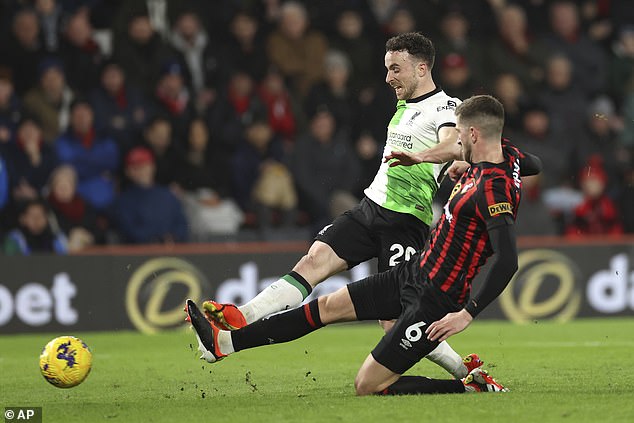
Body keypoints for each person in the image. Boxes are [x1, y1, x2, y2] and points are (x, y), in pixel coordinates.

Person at [186, 95, 533, 395]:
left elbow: (507, 260)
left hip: (436, 297)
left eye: (459, 133)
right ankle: (225, 344)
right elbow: (534, 163)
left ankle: (467, 386)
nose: (456, 141)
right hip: (413, 274)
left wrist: (466, 314)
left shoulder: (493, 189)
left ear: (474, 133)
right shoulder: (506, 158)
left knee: (367, 385)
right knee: (325, 307)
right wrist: (473, 161)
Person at [203, 32, 477, 379]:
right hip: (370, 208)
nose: (388, 77)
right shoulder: (404, 106)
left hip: (405, 222)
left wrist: (423, 157)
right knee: (313, 261)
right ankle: (240, 316)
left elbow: (454, 144)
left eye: (396, 69)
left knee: (395, 318)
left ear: (422, 68)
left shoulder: (446, 107)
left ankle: (464, 372)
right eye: (387, 68)